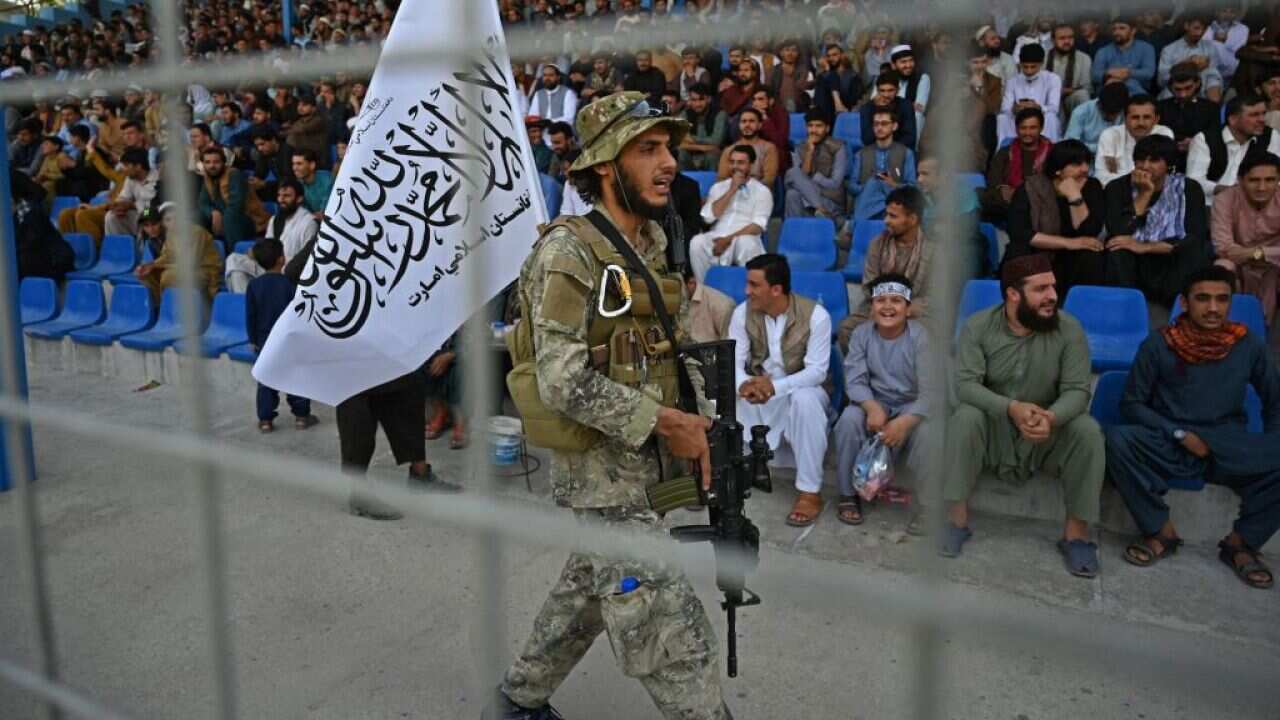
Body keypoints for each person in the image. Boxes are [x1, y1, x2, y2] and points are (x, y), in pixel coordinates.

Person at [488, 91, 733, 720]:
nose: (668, 161)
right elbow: (562, 378)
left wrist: (701, 427)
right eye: (647, 149)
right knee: (672, 631)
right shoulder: (567, 253)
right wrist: (667, 422)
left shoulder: (652, 240)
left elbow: (668, 349)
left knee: (588, 593)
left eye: (669, 148)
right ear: (604, 166)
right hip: (600, 475)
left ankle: (517, 701)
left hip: (650, 468)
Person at [1106, 266, 1280, 590]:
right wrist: (1179, 434)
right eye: (1203, 299)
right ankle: (1160, 531)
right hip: (1173, 442)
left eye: (1221, 299)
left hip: (1229, 446)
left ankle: (1241, 544)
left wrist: (1267, 448)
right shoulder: (1159, 344)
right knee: (1117, 439)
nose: (1213, 308)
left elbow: (1275, 401)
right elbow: (1131, 405)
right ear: (1185, 303)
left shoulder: (1249, 346)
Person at [943, 253, 1105, 578]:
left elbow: (1078, 390)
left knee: (1088, 431)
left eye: (1053, 288)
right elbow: (966, 386)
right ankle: (954, 521)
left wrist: (1051, 417)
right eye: (1041, 289)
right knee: (964, 417)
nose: (1052, 297)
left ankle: (1076, 536)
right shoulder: (977, 327)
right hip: (995, 430)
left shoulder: (1069, 329)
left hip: (1046, 434)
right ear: (1013, 294)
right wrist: (1011, 409)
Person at [728, 253, 831, 527]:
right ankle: (724, 474)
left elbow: (817, 372)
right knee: (719, 391)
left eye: (753, 285)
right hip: (758, 389)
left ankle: (810, 493)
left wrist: (775, 387)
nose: (746, 291)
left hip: (798, 389)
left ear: (776, 289)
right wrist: (744, 384)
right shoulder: (742, 313)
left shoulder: (816, 316)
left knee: (806, 400)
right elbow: (733, 360)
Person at [832, 273, 936, 531]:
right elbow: (854, 380)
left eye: (896, 301)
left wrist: (905, 422)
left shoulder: (921, 337)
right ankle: (848, 494)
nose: (888, 307)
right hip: (874, 402)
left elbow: (933, 391)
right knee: (848, 420)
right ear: (872, 307)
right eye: (881, 301)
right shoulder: (861, 334)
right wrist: (871, 406)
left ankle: (929, 505)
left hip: (911, 406)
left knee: (931, 433)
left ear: (908, 308)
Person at [1103, 135, 1212, 306]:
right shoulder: (1117, 187)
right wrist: (1144, 195)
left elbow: (1195, 234)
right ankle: (1124, 307)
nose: (1145, 166)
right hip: (1135, 260)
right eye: (1140, 160)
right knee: (1116, 247)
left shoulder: (1189, 189)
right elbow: (1118, 230)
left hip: (1171, 255)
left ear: (1168, 163)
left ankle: (1180, 307)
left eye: (1154, 160)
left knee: (1196, 250)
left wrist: (1147, 247)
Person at [1005, 140, 1107, 295]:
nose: (1085, 169)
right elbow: (1020, 233)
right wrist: (1069, 243)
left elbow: (1088, 232)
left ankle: (1082, 307)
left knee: (1091, 254)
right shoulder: (1031, 188)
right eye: (1076, 164)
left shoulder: (1092, 186)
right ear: (1058, 169)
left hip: (1070, 259)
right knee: (1018, 250)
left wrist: (1075, 197)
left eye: (1087, 163)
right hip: (1038, 252)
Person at [838, 186, 931, 348]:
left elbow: (935, 295)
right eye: (886, 214)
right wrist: (886, 307)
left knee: (923, 335)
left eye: (893, 216)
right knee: (847, 329)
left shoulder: (933, 250)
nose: (886, 220)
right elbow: (869, 285)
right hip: (878, 305)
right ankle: (864, 371)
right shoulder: (877, 244)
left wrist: (904, 310)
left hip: (915, 312)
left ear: (912, 219)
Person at [245, 238, 319, 433]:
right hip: (288, 341)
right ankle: (302, 416)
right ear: (281, 259)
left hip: (264, 341)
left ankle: (265, 420)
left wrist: (253, 340)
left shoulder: (253, 286)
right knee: (297, 378)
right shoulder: (289, 285)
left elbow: (251, 316)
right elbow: (297, 315)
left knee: (266, 380)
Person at [1211, 152, 1280, 325]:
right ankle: (1224, 325)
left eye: (1270, 180)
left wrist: (1259, 253)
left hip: (1274, 266)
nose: (1262, 187)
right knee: (1222, 266)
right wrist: (1262, 254)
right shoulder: (1224, 200)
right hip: (1238, 265)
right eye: (1254, 180)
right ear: (1240, 180)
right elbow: (1223, 247)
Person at [690, 144, 771, 281]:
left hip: (745, 236)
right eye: (732, 162)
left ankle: (749, 289)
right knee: (697, 242)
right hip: (717, 235)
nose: (735, 166)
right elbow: (708, 218)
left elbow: (757, 226)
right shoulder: (718, 188)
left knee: (745, 243)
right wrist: (731, 190)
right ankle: (704, 290)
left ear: (751, 165)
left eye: (740, 163)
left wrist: (728, 240)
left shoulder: (762, 191)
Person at [225, 180, 319, 293]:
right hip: (269, 267)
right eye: (279, 195)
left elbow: (307, 260)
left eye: (287, 196)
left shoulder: (309, 222)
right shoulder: (275, 219)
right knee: (234, 260)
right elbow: (267, 248)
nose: (281, 199)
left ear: (299, 199)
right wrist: (255, 252)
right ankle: (244, 303)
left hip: (290, 273)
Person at [1186, 94, 1280, 205]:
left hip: (1254, 205)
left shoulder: (1270, 136)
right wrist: (1229, 191)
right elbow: (1194, 181)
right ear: (1233, 119)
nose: (1262, 120)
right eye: (1254, 115)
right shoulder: (1205, 139)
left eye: (1263, 114)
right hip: (1211, 205)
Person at [133, 203, 223, 303]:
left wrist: (157, 266)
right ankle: (160, 306)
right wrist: (151, 265)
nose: (174, 222)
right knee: (145, 273)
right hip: (179, 268)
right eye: (168, 220)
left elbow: (190, 263)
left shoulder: (195, 232)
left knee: (168, 276)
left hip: (204, 271)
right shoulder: (170, 234)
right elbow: (167, 255)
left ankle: (167, 306)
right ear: (163, 222)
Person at [981, 107, 1051, 222]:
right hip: (1008, 202)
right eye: (1023, 128)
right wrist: (1001, 190)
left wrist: (1022, 194)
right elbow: (993, 181)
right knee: (983, 195)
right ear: (1016, 129)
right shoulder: (1005, 152)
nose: (1027, 133)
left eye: (1033, 128)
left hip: (1039, 201)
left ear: (1041, 128)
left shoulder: (1051, 152)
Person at [847, 106, 915, 222]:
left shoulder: (906, 153)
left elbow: (912, 186)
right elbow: (852, 186)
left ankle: (853, 225)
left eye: (884, 124)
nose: (879, 128)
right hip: (868, 204)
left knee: (877, 183)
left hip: (894, 204)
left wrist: (892, 184)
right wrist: (868, 187)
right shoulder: (861, 154)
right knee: (874, 182)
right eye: (876, 124)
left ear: (894, 126)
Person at [1094, 95, 1175, 187]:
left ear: (1156, 119)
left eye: (1146, 117)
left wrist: (1122, 178)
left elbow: (1164, 175)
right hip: (1119, 194)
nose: (1141, 123)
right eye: (1135, 117)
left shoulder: (1164, 134)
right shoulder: (1110, 135)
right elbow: (1101, 176)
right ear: (1125, 118)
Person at [198, 145, 269, 245]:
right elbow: (202, 203)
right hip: (225, 218)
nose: (212, 166)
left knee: (230, 216)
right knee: (197, 215)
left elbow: (236, 205)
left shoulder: (234, 174)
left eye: (216, 162)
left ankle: (234, 252)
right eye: (207, 162)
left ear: (223, 162)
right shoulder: (208, 177)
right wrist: (213, 213)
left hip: (248, 220)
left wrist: (221, 218)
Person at [784, 109, 847, 219]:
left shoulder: (838, 147)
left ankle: (820, 208)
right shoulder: (800, 148)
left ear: (827, 128)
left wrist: (814, 178)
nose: (813, 130)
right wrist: (809, 152)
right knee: (792, 193)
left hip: (830, 201)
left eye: (818, 126)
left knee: (794, 180)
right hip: (809, 200)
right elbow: (797, 178)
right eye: (810, 126)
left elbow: (835, 184)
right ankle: (798, 231)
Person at [1156, 65, 1220, 170]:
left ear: (1197, 83)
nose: (1183, 95)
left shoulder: (1211, 108)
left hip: (1202, 159)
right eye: (1178, 89)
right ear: (1170, 87)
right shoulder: (1161, 107)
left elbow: (1215, 136)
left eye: (1188, 88)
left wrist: (1195, 143)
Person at [997, 43, 1062, 145]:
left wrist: (1038, 107)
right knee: (1002, 118)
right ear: (1020, 64)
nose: (1029, 71)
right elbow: (1005, 108)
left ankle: (1049, 150)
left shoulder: (1053, 79)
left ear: (1041, 64)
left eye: (1033, 67)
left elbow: (1054, 108)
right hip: (1019, 119)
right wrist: (1015, 109)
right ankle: (1004, 149)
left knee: (1051, 117)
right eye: (1025, 67)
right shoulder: (1012, 81)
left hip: (1042, 119)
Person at [1157, 12, 1224, 103]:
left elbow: (1214, 75)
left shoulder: (1210, 47)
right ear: (1186, 26)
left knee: (1214, 82)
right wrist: (1187, 65)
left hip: (1204, 86)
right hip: (1177, 87)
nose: (1200, 33)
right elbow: (1162, 80)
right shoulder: (1169, 50)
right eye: (1196, 28)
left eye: (1204, 30)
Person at [1092, 16, 1157, 97]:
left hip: (1137, 93)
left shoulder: (1147, 48)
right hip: (1109, 93)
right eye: (1114, 29)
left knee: (1130, 83)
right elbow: (1095, 75)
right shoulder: (1103, 51)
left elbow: (1149, 73)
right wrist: (1108, 73)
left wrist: (1128, 73)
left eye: (1122, 28)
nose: (1116, 32)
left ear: (1133, 31)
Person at [714, 108, 778, 186]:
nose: (747, 125)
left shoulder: (769, 148)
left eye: (751, 121)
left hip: (759, 193)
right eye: (743, 121)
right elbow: (721, 179)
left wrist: (748, 189)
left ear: (760, 125)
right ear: (739, 125)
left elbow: (769, 180)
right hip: (733, 192)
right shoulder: (729, 150)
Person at [1065, 81, 1128, 155]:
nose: (1111, 117)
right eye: (1108, 113)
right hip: (1083, 158)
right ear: (1099, 105)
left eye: (1115, 113)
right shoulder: (1081, 112)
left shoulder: (1125, 113)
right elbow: (1071, 144)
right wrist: (1101, 148)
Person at [1046, 23, 1093, 121]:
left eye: (1070, 37)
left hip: (1071, 99)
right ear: (1053, 40)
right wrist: (1057, 92)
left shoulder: (1084, 58)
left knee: (1082, 94)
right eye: (1062, 38)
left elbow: (1087, 88)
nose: (1067, 41)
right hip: (1047, 100)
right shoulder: (1043, 58)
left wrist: (1066, 91)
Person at [860, 71, 917, 149]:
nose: (886, 95)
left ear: (898, 90)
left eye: (890, 90)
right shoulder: (867, 108)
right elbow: (867, 140)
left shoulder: (906, 106)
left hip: (900, 149)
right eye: (882, 90)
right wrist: (878, 109)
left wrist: (890, 148)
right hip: (876, 150)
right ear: (877, 90)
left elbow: (910, 138)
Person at [677, 83, 726, 172]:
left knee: (712, 155)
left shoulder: (719, 114)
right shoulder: (685, 114)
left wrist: (692, 139)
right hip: (691, 155)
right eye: (693, 100)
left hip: (711, 156)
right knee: (681, 153)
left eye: (701, 99)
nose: (697, 104)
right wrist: (703, 147)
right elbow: (679, 142)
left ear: (709, 99)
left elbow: (716, 141)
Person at [683, 265, 735, 342]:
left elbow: (728, 346)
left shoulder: (721, 306)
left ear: (691, 282)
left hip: (710, 350)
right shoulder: (683, 301)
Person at [889, 44, 930, 137]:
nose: (908, 65)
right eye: (903, 62)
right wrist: (908, 104)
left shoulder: (922, 78)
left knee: (917, 116)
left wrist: (892, 102)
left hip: (911, 125)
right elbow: (876, 102)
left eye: (911, 61)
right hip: (889, 123)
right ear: (893, 65)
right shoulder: (885, 78)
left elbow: (919, 109)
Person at [814, 42, 863, 119]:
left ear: (842, 55)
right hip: (826, 113)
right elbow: (818, 99)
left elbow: (855, 99)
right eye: (828, 56)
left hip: (845, 112)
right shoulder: (823, 76)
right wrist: (827, 69)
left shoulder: (853, 76)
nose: (831, 58)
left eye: (834, 55)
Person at [247, 127, 295, 203]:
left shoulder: (287, 152)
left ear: (273, 140)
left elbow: (289, 179)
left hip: (294, 188)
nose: (259, 148)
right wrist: (253, 180)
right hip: (279, 186)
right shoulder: (265, 152)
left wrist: (265, 184)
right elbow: (259, 172)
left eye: (262, 144)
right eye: (257, 145)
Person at [284, 94, 331, 170]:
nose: (300, 108)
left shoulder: (318, 120)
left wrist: (286, 131)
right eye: (299, 105)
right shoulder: (299, 121)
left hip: (316, 158)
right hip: (302, 155)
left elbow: (301, 129)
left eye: (304, 105)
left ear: (314, 108)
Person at [769, 39, 814, 113]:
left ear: (798, 53)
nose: (790, 53)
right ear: (781, 53)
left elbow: (807, 91)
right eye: (787, 50)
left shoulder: (804, 70)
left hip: (800, 109)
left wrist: (792, 76)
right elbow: (770, 91)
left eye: (794, 50)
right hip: (778, 110)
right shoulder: (774, 71)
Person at [292, 148, 334, 216]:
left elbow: (325, 211)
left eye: (299, 164)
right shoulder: (297, 185)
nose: (294, 168)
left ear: (312, 165)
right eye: (293, 164)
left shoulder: (327, 179)